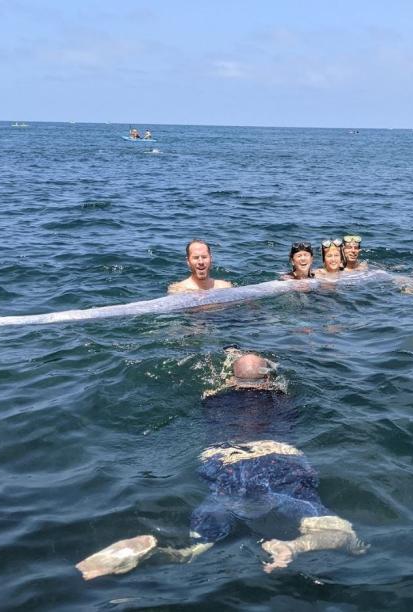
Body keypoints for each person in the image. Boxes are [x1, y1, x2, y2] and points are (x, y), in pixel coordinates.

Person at [75, 350, 367, 580]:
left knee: (205, 535)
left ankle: (172, 550)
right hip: (279, 459)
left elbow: (227, 386)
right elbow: (269, 383)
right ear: (266, 379)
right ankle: (292, 546)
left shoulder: (213, 400)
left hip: (224, 461)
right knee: (345, 535)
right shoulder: (281, 397)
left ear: (232, 380)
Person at [168, 240, 233, 294]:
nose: (201, 262)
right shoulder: (178, 290)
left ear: (211, 259)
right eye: (196, 258)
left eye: (204, 257)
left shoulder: (225, 287)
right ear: (188, 261)